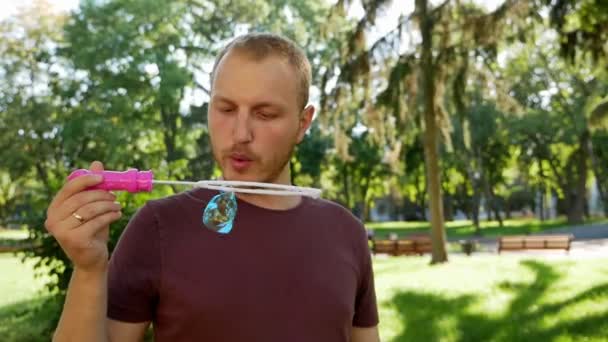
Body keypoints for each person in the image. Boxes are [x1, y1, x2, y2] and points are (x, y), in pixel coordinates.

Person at [45, 32, 380, 342]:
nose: (240, 134)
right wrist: (89, 271)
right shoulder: (158, 227)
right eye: (226, 109)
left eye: (265, 114)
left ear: (302, 122)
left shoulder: (346, 232)